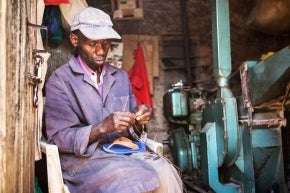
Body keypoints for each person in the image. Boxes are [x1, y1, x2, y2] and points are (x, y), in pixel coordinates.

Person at [45, 6, 183, 193]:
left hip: (121, 151)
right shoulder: (60, 81)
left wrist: (139, 118)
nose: (101, 51)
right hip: (85, 161)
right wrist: (101, 127)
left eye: (106, 43)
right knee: (134, 177)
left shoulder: (120, 77)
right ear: (75, 39)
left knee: (165, 172)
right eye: (93, 44)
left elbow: (133, 126)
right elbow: (59, 137)